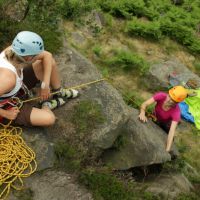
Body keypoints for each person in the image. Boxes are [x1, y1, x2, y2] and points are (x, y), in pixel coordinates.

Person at [0, 31, 78, 127]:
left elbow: (47, 55)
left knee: (49, 63)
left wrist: (45, 84)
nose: (39, 55)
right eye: (36, 54)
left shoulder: (13, 51)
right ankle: (45, 104)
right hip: (5, 105)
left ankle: (58, 92)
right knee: (49, 119)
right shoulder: (7, 79)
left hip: (13, 87)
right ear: (28, 58)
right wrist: (6, 113)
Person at [138, 86, 188, 152]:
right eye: (169, 96)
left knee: (170, 139)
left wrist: (167, 149)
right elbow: (145, 104)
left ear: (177, 103)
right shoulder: (161, 96)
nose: (169, 100)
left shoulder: (176, 112)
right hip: (155, 117)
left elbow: (172, 131)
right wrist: (142, 113)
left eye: (173, 100)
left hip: (165, 125)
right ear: (168, 93)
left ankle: (176, 122)